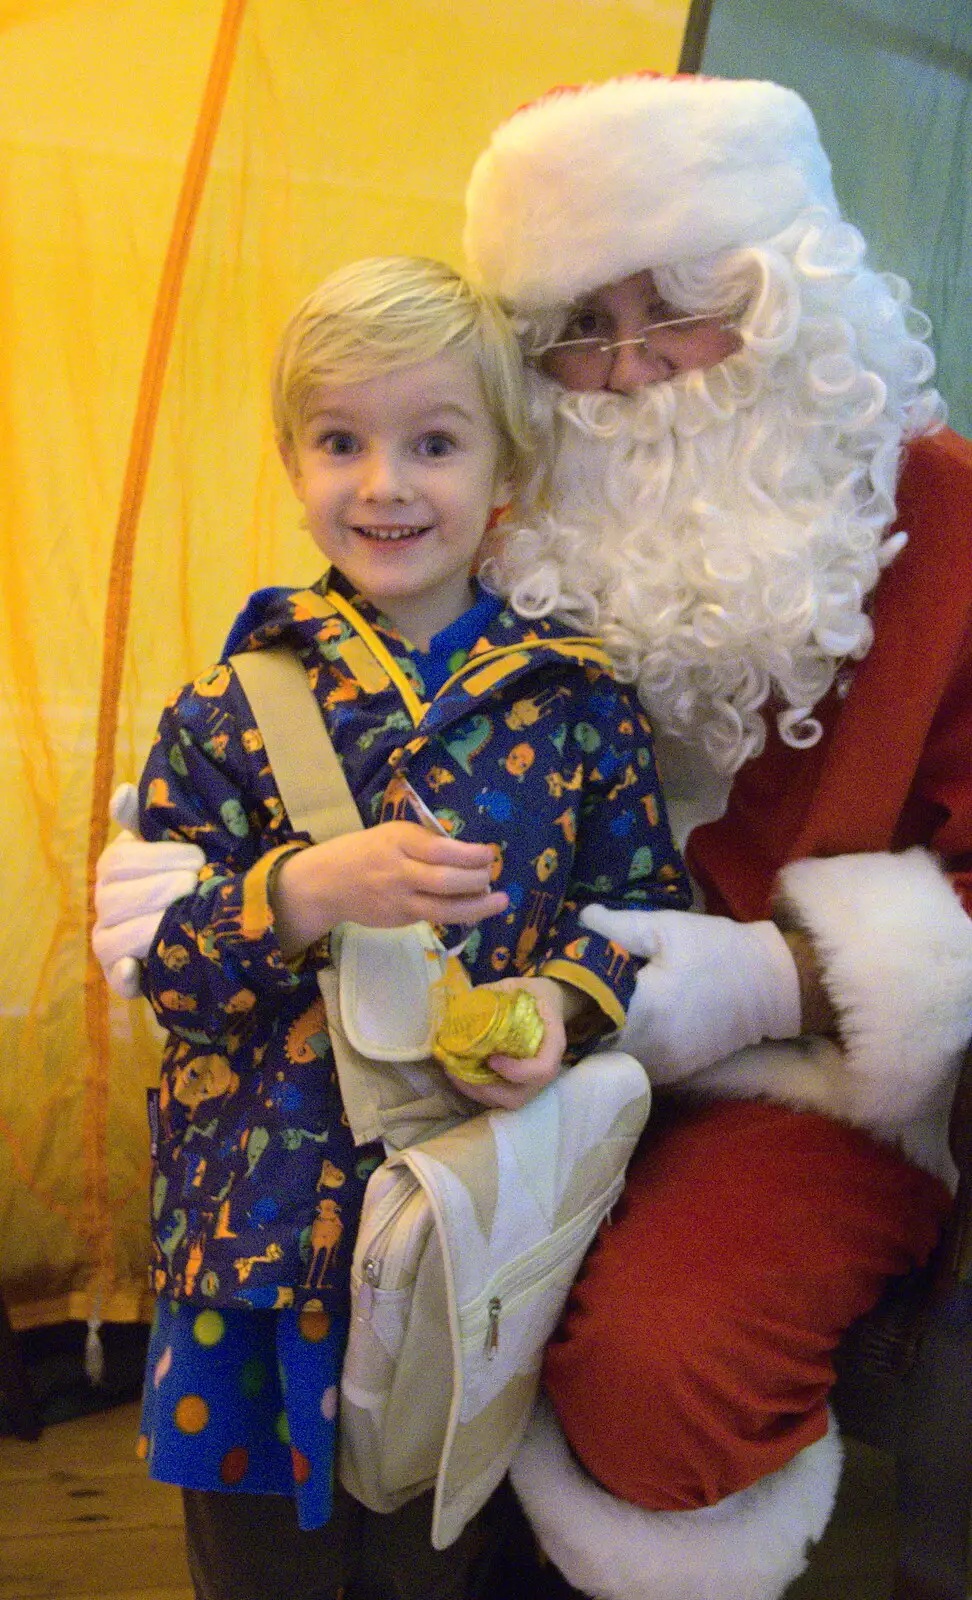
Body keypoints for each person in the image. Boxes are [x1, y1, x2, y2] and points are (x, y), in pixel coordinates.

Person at [93, 76, 972, 1600]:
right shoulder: (517, 529)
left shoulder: (949, 525)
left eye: (684, 303)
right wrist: (235, 887)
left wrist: (761, 984)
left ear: (794, 291)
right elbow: (285, 750)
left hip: (804, 1075)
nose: (629, 368)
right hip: (393, 1109)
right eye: (577, 324)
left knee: (654, 1368)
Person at [123, 252, 690, 1600]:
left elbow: (644, 914)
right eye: (341, 440)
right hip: (251, 1248)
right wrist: (300, 895)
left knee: (435, 1564)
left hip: (466, 1240)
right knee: (256, 1569)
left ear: (508, 469)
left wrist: (562, 1002)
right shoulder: (225, 705)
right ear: (293, 457)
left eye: (431, 441)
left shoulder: (579, 703)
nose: (383, 482)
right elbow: (162, 967)